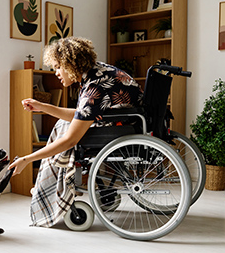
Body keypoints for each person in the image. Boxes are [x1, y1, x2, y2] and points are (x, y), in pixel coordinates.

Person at [8, 36, 143, 227]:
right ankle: (46, 183)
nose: (55, 72)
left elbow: (71, 140)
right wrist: (44, 107)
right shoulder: (98, 72)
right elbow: (82, 115)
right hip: (128, 123)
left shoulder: (93, 88)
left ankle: (49, 187)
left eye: (57, 67)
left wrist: (27, 159)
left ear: (70, 64)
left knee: (63, 131)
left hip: (119, 130)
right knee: (63, 125)